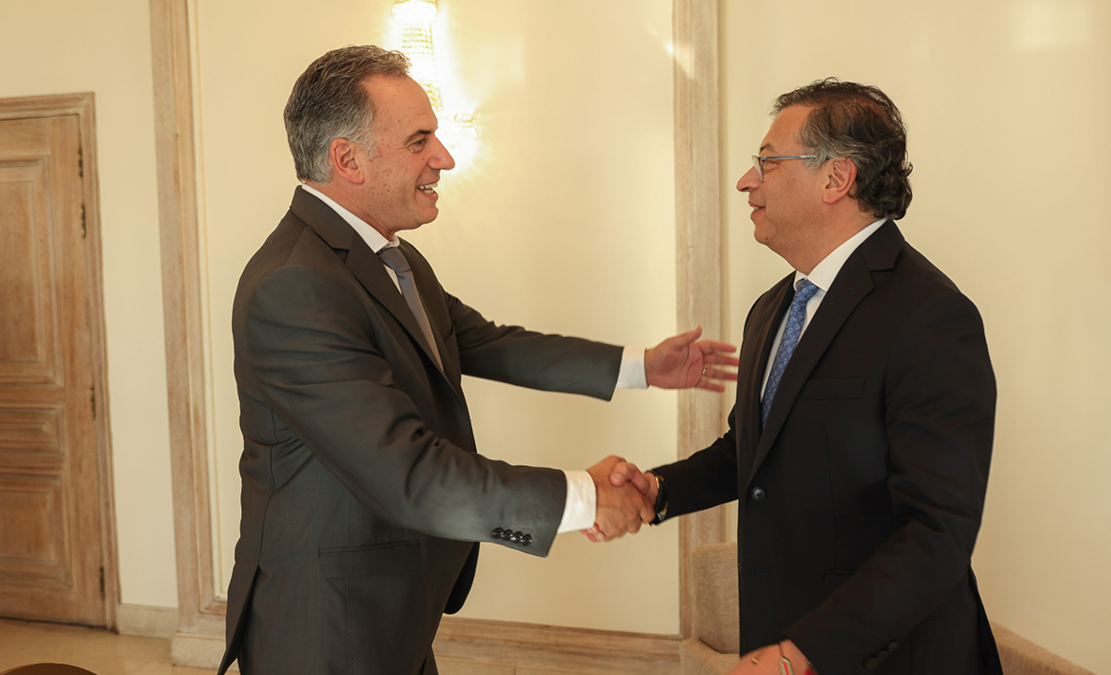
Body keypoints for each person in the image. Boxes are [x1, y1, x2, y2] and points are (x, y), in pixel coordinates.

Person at [217, 45, 737, 675]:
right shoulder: (294, 284)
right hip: (326, 620)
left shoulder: (389, 261)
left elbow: (490, 343)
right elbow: (407, 472)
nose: (445, 158)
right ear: (347, 159)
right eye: (420, 140)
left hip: (390, 605)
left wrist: (641, 366)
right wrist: (584, 496)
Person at [611, 79, 1003, 675]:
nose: (747, 181)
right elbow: (752, 451)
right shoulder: (773, 307)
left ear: (835, 178)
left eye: (766, 162)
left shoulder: (930, 316)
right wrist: (658, 492)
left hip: (890, 657)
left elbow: (935, 535)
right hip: (780, 636)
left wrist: (804, 654)